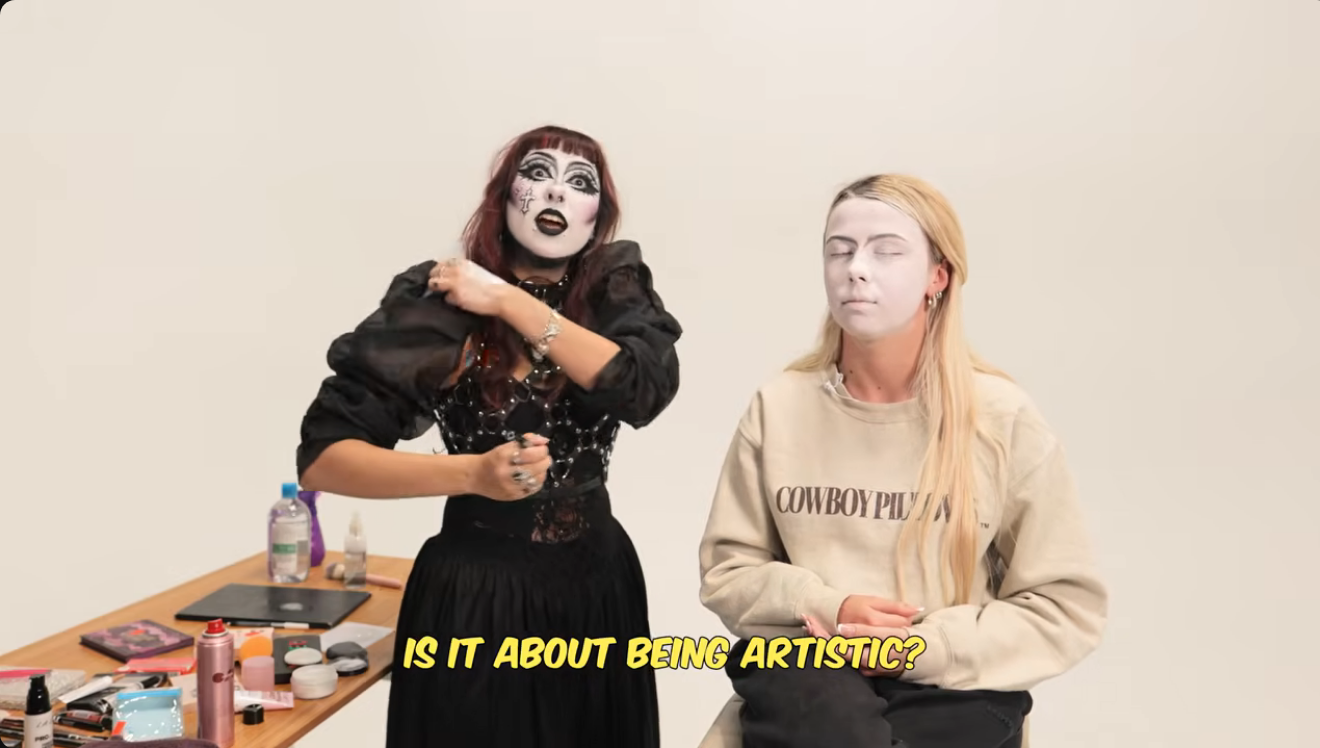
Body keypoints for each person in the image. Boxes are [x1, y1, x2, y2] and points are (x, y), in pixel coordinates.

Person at [295, 124, 682, 748]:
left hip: (597, 590)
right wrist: (472, 474)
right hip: (475, 597)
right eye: (538, 174)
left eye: (579, 182)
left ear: (598, 213)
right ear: (504, 194)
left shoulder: (612, 294)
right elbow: (323, 459)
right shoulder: (442, 300)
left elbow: (641, 390)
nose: (556, 192)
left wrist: (505, 300)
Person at [697, 174, 1107, 748]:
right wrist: (829, 607)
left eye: (887, 251)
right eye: (839, 250)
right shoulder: (780, 406)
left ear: (939, 275)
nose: (856, 269)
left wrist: (920, 647)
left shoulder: (1001, 417)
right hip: (806, 685)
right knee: (824, 716)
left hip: (950, 689)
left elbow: (1065, 605)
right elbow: (728, 571)